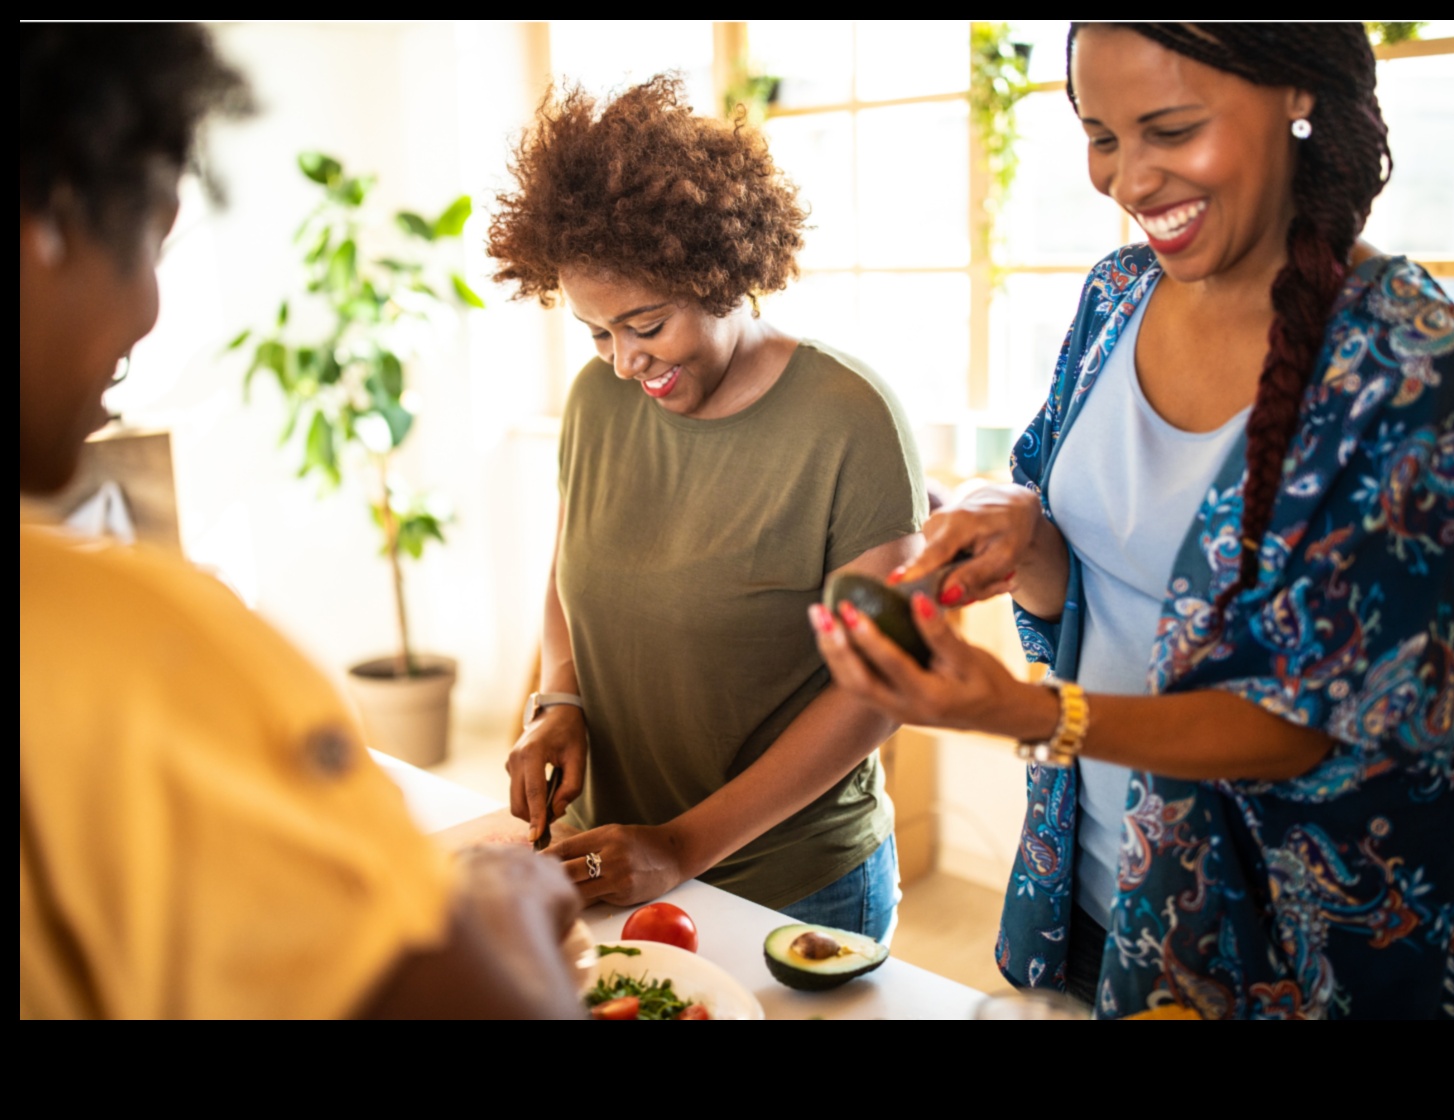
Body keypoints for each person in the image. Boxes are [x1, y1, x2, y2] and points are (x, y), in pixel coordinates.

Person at [812, 22, 1454, 1018]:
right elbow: (1093, 591)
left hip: (1283, 956)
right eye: (1100, 135)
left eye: (1169, 129)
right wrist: (1028, 538)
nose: (1129, 181)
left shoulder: (1411, 368)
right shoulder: (1115, 297)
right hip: (1092, 886)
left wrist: (1022, 713)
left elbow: (1308, 726)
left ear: (1297, 95)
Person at [20, 23, 583, 1020]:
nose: (149, 310)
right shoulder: (132, 642)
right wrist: (502, 892)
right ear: (50, 227)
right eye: (151, 235)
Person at [487, 76, 926, 937]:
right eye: (598, 333)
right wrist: (560, 701)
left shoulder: (848, 419)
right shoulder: (596, 400)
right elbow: (571, 565)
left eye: (646, 326)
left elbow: (881, 687)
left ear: (722, 273)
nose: (623, 362)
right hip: (610, 861)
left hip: (792, 885)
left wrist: (684, 846)